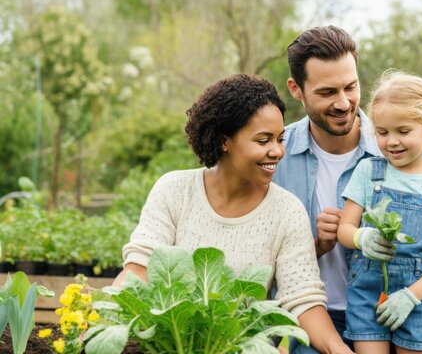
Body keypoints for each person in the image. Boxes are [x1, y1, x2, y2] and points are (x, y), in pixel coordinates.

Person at [114, 74, 353, 354]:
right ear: (225, 141)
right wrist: (97, 319)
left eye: (280, 139)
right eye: (263, 140)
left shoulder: (287, 211)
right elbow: (139, 270)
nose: (276, 151)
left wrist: (341, 351)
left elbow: (303, 298)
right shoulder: (174, 190)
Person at [273, 26, 422, 354]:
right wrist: (319, 243)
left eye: (350, 87)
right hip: (319, 316)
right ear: (297, 90)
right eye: (327, 92)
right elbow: (261, 257)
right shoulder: (276, 157)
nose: (343, 103)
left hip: (400, 307)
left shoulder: (406, 150)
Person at [337, 71, 422, 353]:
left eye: (403, 131)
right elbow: (344, 229)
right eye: (383, 133)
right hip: (367, 295)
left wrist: (412, 296)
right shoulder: (367, 171)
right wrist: (362, 237)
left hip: (417, 299)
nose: (392, 142)